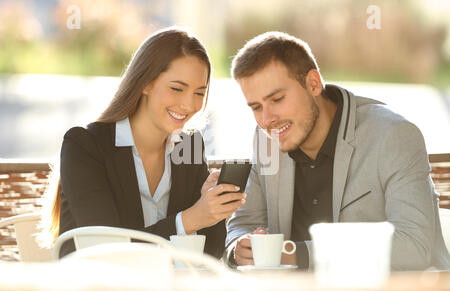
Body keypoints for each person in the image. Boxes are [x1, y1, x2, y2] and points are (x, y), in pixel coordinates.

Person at [225, 31, 450, 271]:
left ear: (313, 83)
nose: (266, 119)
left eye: (277, 99)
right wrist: (239, 247)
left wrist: (297, 254)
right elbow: (245, 223)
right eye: (256, 107)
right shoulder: (266, 140)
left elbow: (413, 247)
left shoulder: (394, 136)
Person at [39, 27, 246, 259]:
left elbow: (210, 251)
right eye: (176, 88)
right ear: (145, 83)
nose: (189, 105)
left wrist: (210, 207)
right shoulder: (85, 146)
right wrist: (189, 219)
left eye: (199, 92)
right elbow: (105, 249)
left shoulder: (189, 146)